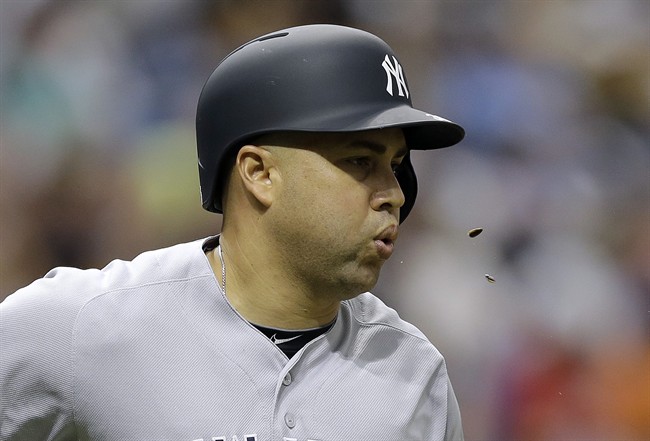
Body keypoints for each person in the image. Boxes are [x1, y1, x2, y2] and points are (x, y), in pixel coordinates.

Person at [1, 24, 465, 441]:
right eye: (359, 161)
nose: (394, 194)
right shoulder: (83, 324)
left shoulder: (416, 376)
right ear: (259, 173)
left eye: (397, 166)